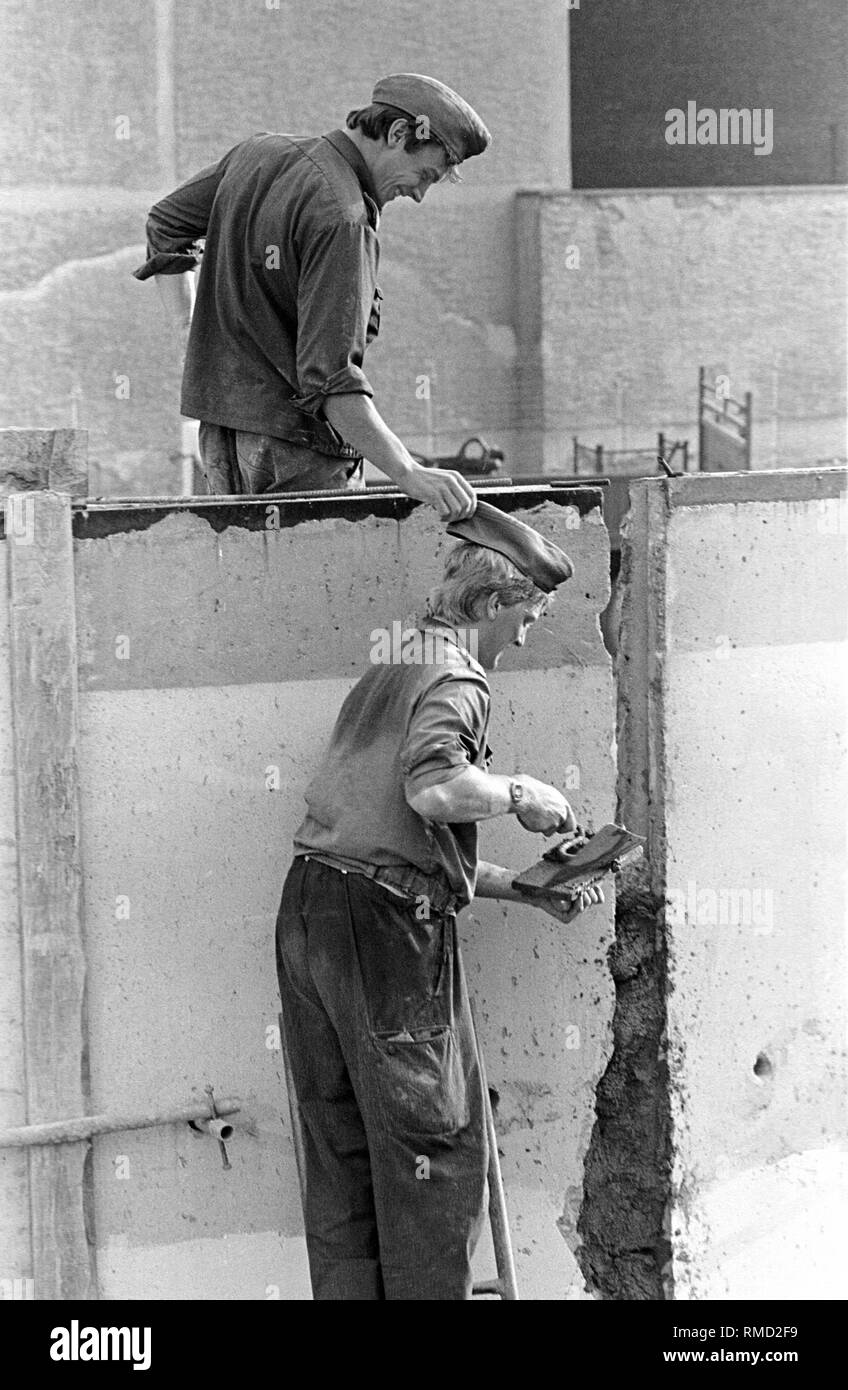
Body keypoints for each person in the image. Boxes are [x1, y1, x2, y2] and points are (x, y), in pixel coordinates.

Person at [275, 501, 604, 1299]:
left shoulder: (400, 658)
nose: (526, 635)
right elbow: (433, 794)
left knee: (342, 1150)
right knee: (433, 1155)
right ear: (493, 602)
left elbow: (391, 837)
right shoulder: (457, 674)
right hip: (383, 935)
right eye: (529, 614)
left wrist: (523, 891)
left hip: (315, 909)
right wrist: (521, 792)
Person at [134, 73, 489, 517]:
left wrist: (188, 327)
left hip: (222, 435)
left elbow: (165, 222)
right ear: (398, 134)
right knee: (318, 586)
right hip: (296, 455)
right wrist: (409, 472)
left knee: (245, 582)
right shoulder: (344, 218)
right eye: (425, 175)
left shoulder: (258, 155)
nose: (418, 195)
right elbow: (333, 385)